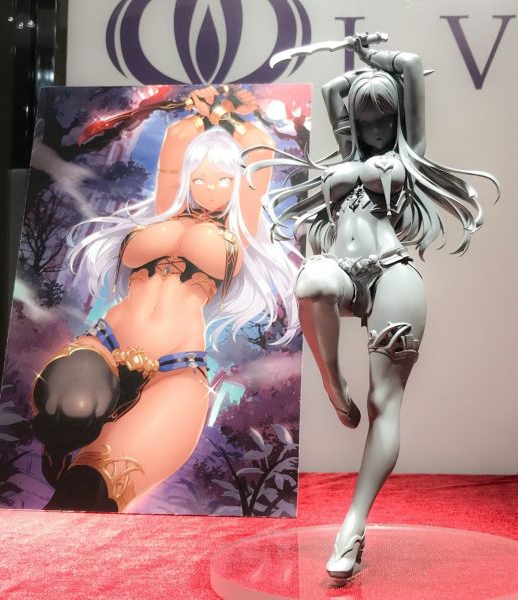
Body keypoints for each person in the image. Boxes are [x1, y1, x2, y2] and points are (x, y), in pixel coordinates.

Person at [249, 36, 498, 578]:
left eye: (386, 119)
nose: (379, 130)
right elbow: (333, 90)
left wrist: (371, 57)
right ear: (355, 125)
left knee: (385, 401)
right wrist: (354, 65)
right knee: (311, 278)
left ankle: (352, 526)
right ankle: (333, 384)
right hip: (344, 273)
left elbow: (410, 64)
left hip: (394, 273)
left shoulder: (410, 154)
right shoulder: (347, 152)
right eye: (367, 122)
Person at [31, 86, 298, 513]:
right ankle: (58, 449)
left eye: (224, 180)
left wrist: (232, 110)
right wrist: (200, 110)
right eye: (200, 179)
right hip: (105, 346)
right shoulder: (165, 209)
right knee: (69, 408)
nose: (211, 189)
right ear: (187, 178)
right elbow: (177, 140)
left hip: (175, 374)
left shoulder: (239, 231)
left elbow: (260, 145)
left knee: (92, 490)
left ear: (238, 183)